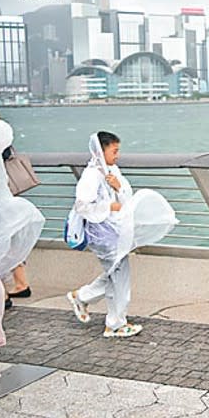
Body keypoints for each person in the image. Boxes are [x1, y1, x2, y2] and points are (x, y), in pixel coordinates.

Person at [66, 131, 177, 338]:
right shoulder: (91, 175)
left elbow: (126, 196)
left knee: (116, 274)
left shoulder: (111, 169)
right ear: (101, 150)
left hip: (115, 231)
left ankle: (82, 297)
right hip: (103, 234)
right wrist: (110, 206)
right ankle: (115, 324)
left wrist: (117, 189)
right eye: (114, 151)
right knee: (119, 277)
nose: (117, 155)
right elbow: (82, 205)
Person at [0, 107, 45, 312]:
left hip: (0, 200)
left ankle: (7, 292)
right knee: (6, 238)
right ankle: (7, 291)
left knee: (6, 237)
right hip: (0, 199)